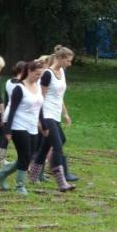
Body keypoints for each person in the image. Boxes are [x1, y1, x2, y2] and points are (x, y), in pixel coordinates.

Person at [0, 60, 47, 195]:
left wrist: (44, 125)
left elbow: (39, 107)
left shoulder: (37, 87)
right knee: (24, 156)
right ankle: (20, 186)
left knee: (29, 156)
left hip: (32, 126)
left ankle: (3, 172)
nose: (38, 77)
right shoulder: (19, 88)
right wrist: (8, 130)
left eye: (40, 75)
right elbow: (11, 109)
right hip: (19, 125)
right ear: (29, 71)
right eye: (37, 74)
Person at [29, 46, 76, 191]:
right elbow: (40, 97)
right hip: (46, 114)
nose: (70, 64)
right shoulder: (47, 74)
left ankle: (33, 176)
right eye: (68, 60)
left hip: (55, 114)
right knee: (58, 144)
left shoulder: (62, 72)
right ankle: (62, 182)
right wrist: (39, 119)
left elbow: (60, 96)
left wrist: (65, 113)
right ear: (60, 58)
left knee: (46, 146)